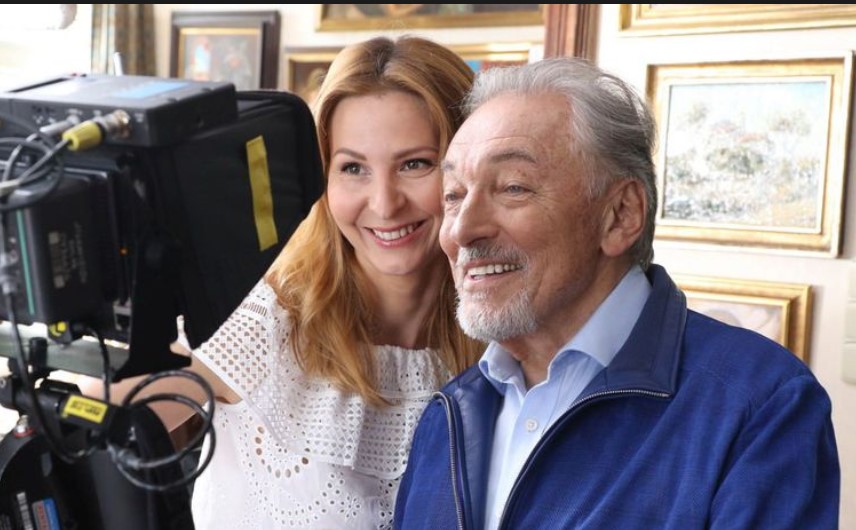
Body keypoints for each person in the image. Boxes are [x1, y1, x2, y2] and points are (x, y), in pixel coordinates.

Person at [393, 57, 840, 529]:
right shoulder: (448, 412)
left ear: (621, 215)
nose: (461, 230)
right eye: (454, 195)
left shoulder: (760, 405)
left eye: (513, 188)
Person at [84, 35, 481, 529]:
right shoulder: (265, 319)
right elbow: (89, 418)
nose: (384, 203)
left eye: (414, 163)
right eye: (352, 167)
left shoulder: (498, 338)